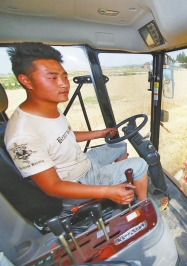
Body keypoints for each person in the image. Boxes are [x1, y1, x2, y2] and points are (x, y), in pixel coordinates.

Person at [4, 42, 149, 207]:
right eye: (52, 78)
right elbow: (53, 187)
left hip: (82, 161)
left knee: (120, 146)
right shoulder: (22, 136)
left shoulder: (48, 109)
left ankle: (123, 186)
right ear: (26, 81)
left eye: (64, 77)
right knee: (140, 165)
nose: (64, 84)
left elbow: (63, 137)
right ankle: (142, 204)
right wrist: (107, 191)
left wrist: (99, 133)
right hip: (76, 181)